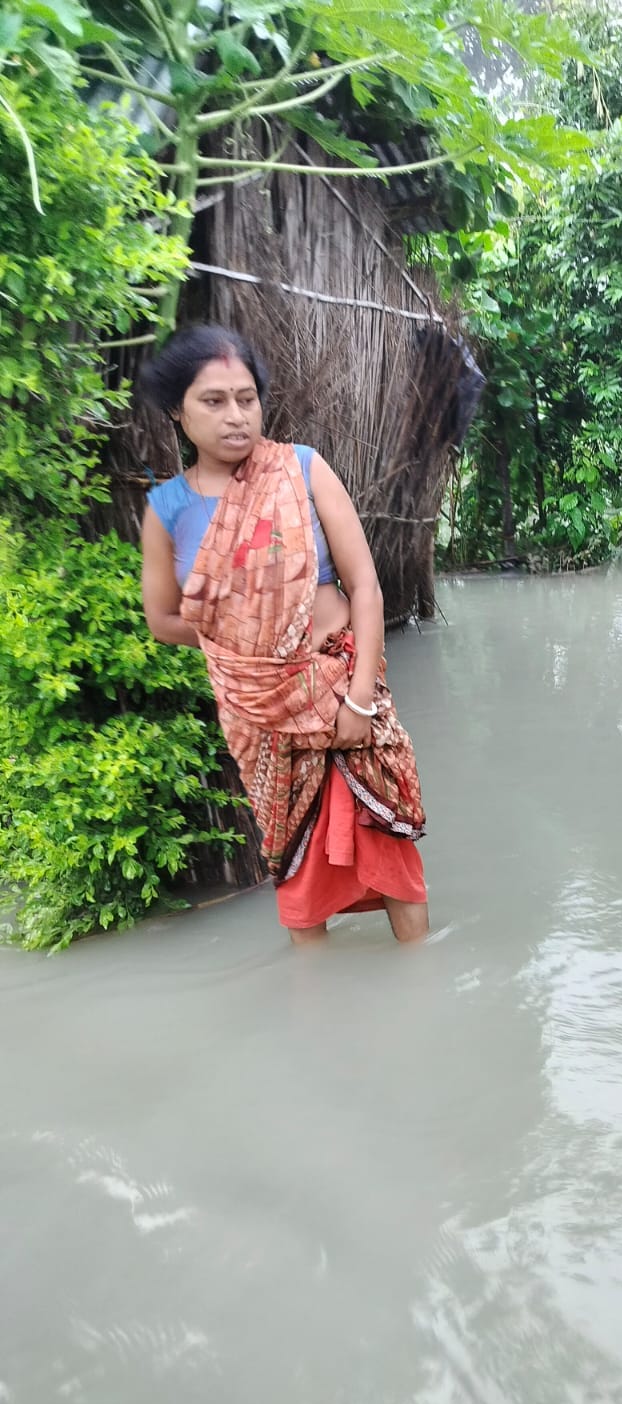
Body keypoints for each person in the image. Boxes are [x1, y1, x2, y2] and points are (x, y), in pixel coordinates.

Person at [138, 324, 429, 945]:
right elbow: (163, 620)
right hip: (259, 712)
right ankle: (317, 1003)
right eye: (213, 401)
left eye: (247, 398)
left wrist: (359, 699)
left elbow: (366, 589)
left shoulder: (301, 469)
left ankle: (418, 974)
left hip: (343, 686)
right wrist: (254, 648)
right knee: (296, 864)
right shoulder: (167, 509)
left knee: (390, 851)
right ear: (178, 413)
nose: (235, 416)